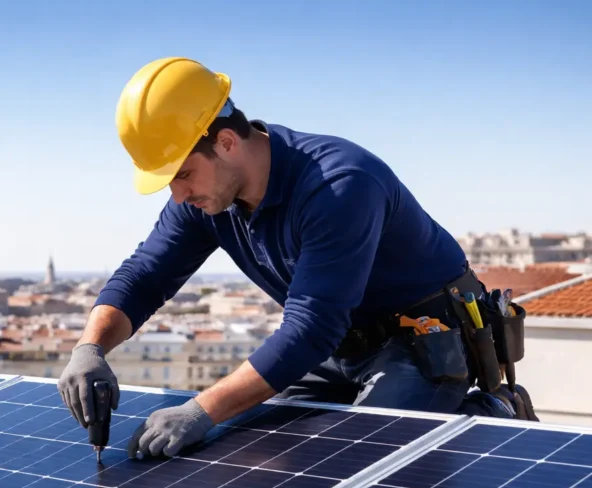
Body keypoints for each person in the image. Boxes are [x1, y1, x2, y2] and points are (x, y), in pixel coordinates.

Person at [58, 56, 538, 461]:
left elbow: (311, 327)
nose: (179, 195)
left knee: (365, 465)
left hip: (420, 341)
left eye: (183, 174)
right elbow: (145, 276)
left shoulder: (339, 184)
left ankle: (488, 413)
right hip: (337, 349)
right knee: (267, 452)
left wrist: (200, 409)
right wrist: (90, 347)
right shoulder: (206, 198)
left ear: (226, 142)